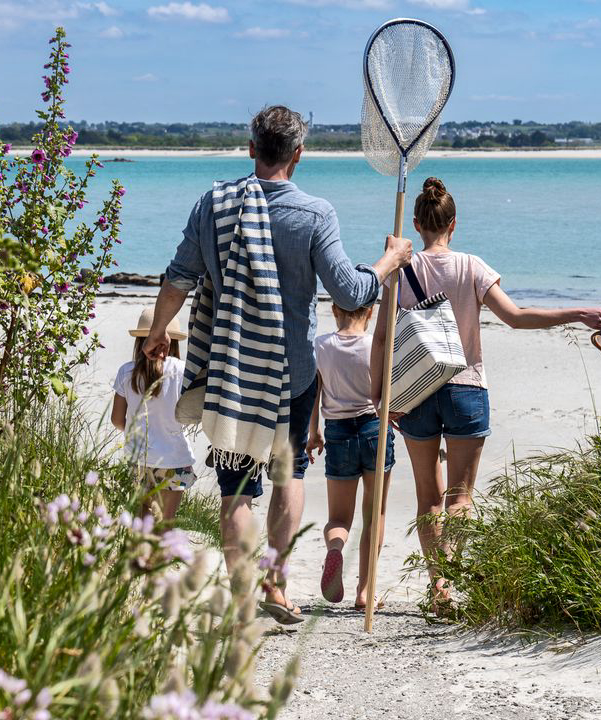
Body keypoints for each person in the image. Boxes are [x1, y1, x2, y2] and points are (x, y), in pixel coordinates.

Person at [143, 105, 412, 623]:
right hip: (291, 374)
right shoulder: (314, 213)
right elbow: (352, 291)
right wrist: (391, 260)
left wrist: (158, 335)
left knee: (237, 487)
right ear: (298, 155)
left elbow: (178, 278)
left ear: (251, 149)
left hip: (231, 372)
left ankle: (243, 594)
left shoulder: (214, 204)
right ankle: (276, 584)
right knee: (288, 476)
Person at [371, 177, 601, 612]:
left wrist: (379, 394)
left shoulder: (399, 271)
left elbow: (382, 337)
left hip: (416, 391)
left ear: (417, 223)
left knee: (428, 495)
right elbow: (517, 317)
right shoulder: (472, 266)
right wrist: (578, 313)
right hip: (466, 387)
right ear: (454, 224)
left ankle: (437, 585)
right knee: (460, 497)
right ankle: (449, 581)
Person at [306, 303, 393, 610]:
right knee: (375, 513)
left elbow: (314, 393)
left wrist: (313, 431)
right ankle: (365, 590)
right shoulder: (377, 344)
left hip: (338, 432)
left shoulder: (321, 345)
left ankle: (335, 548)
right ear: (370, 313)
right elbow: (388, 391)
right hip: (374, 429)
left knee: (339, 518)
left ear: (334, 309)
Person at [111, 306, 196, 521]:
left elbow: (117, 419)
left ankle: (139, 555)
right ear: (173, 342)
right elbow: (192, 413)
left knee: (142, 522)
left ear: (139, 341)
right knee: (165, 525)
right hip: (175, 458)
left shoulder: (126, 371)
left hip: (139, 458)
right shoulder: (182, 370)